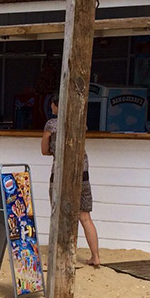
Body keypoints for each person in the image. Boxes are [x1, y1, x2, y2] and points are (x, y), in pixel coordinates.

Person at [41, 94, 101, 267]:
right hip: (82, 171)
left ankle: (56, 257)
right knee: (84, 216)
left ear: (54, 105)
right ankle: (95, 256)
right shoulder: (80, 121)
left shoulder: (51, 124)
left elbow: (44, 150)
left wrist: (47, 137)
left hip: (61, 172)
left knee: (58, 215)